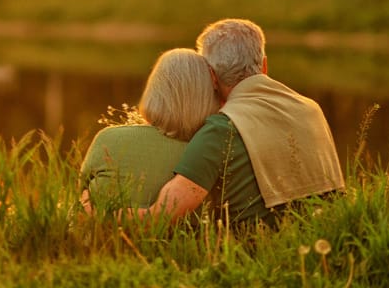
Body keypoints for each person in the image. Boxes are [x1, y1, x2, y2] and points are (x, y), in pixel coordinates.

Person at [144, 19, 345, 226]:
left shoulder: (222, 129)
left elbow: (161, 217)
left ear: (212, 77)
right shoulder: (312, 109)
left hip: (253, 251)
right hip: (323, 238)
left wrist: (115, 214)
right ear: (264, 65)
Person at [80, 48, 220, 210]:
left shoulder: (108, 139)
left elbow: (81, 190)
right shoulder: (208, 153)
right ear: (207, 97)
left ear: (154, 90)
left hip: (99, 232)